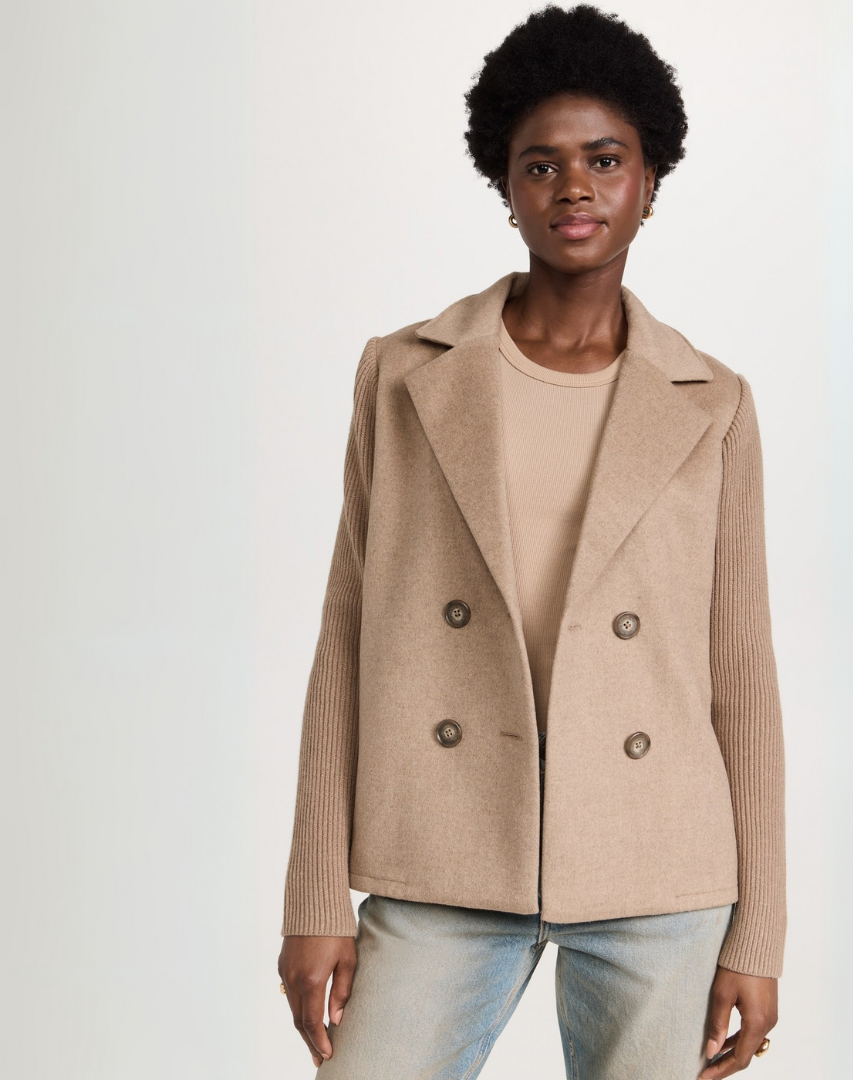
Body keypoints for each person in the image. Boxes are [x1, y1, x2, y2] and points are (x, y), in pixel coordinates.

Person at [276, 5, 785, 1078]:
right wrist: (316, 894)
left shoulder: (714, 404)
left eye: (605, 159)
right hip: (444, 850)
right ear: (504, 187)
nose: (574, 188)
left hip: (656, 868)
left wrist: (760, 932)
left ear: (651, 179)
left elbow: (742, 674)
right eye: (541, 165)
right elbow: (347, 636)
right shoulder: (404, 373)